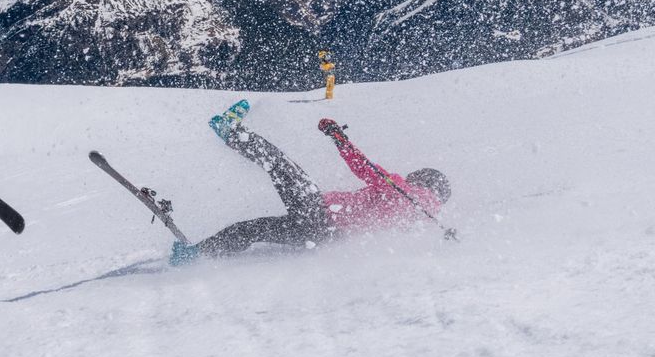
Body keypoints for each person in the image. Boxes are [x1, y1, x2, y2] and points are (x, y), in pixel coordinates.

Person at [170, 102, 451, 264]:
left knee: (282, 165)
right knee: (255, 229)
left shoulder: (406, 190)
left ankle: (232, 133)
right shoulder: (419, 218)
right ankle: (196, 255)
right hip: (325, 236)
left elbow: (367, 170)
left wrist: (339, 138)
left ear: (423, 180)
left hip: (319, 212)